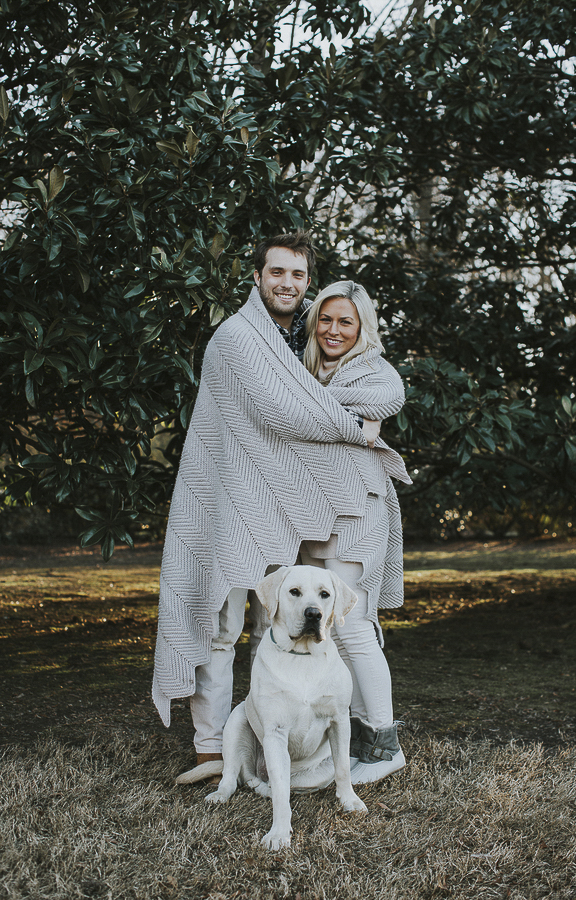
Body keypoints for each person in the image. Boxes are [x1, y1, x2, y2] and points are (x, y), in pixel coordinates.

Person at [152, 232, 411, 785]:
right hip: (232, 506)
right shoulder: (240, 339)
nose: (286, 284)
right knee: (222, 628)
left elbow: (364, 395)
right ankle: (212, 750)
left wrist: (354, 420)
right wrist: (357, 430)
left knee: (286, 626)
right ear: (256, 277)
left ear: (307, 283)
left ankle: (312, 740)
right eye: (277, 273)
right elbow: (278, 411)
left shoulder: (297, 351)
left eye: (297, 275)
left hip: (281, 513)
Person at [299, 280, 412, 783]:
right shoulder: (305, 371)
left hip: (358, 512)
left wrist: (325, 413)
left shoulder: (372, 371)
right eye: (325, 319)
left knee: (354, 627)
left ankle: (385, 746)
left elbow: (390, 399)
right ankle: (347, 738)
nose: (333, 330)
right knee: (327, 631)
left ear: (362, 326)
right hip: (316, 513)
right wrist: (348, 423)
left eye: (346, 321)